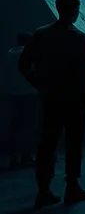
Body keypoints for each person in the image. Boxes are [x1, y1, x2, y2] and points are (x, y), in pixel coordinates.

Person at [19, 0, 85, 208]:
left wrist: (39, 85)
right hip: (75, 100)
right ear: (75, 11)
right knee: (74, 144)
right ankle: (72, 186)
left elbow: (23, 64)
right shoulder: (80, 37)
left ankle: (43, 190)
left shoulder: (41, 34)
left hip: (50, 98)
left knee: (47, 144)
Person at [5, 32, 37, 169]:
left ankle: (13, 157)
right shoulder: (30, 54)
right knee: (29, 127)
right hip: (29, 94)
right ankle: (26, 156)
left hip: (12, 94)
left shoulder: (8, 54)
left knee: (14, 127)